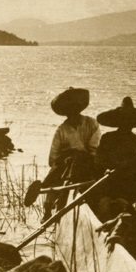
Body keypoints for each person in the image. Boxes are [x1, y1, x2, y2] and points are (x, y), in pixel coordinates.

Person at [92, 96, 136, 218]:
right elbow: (98, 163)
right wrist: (113, 167)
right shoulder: (108, 139)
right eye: (124, 120)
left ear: (133, 123)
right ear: (119, 121)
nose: (127, 123)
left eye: (130, 120)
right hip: (110, 186)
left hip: (129, 189)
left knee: (121, 209)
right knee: (105, 206)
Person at [42, 87, 100, 220]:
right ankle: (48, 209)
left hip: (87, 163)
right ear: (66, 112)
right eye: (69, 110)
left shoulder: (91, 124)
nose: (72, 113)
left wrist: (78, 156)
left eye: (75, 109)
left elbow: (94, 148)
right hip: (66, 165)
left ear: (79, 109)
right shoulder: (61, 130)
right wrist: (65, 160)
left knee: (77, 159)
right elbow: (53, 157)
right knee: (56, 173)